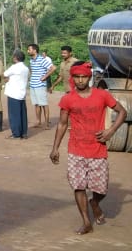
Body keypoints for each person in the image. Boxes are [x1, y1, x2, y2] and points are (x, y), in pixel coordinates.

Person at [49, 63, 128, 234]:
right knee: (78, 186)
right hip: (76, 149)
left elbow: (122, 112)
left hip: (98, 149)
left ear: (89, 77)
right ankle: (86, 222)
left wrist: (111, 131)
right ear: (73, 79)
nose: (80, 80)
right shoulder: (68, 99)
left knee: (101, 189)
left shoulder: (102, 95)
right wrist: (55, 148)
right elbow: (62, 124)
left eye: (83, 76)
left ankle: (95, 203)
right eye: (76, 77)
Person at [27, 44, 54, 130]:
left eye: (29, 49)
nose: (28, 51)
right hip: (33, 85)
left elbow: (53, 68)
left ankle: (46, 123)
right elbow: (31, 70)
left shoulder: (42, 59)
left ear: (34, 50)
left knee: (44, 104)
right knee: (36, 104)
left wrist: (45, 76)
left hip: (40, 85)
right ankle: (38, 121)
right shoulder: (31, 60)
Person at [3, 50, 30, 139]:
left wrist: (8, 79)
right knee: (22, 114)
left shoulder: (14, 67)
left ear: (15, 58)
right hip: (21, 93)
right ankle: (23, 132)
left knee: (14, 115)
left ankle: (16, 133)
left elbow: (5, 74)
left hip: (13, 93)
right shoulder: (25, 68)